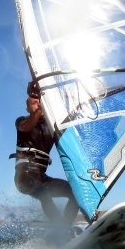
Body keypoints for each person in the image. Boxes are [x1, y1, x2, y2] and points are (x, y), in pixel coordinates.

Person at [11, 87, 89, 228]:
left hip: (42, 177)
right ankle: (59, 227)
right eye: (34, 103)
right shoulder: (22, 121)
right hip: (24, 176)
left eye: (40, 102)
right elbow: (27, 126)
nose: (38, 104)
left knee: (76, 192)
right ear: (28, 108)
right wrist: (41, 109)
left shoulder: (53, 127)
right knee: (43, 193)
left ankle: (65, 228)